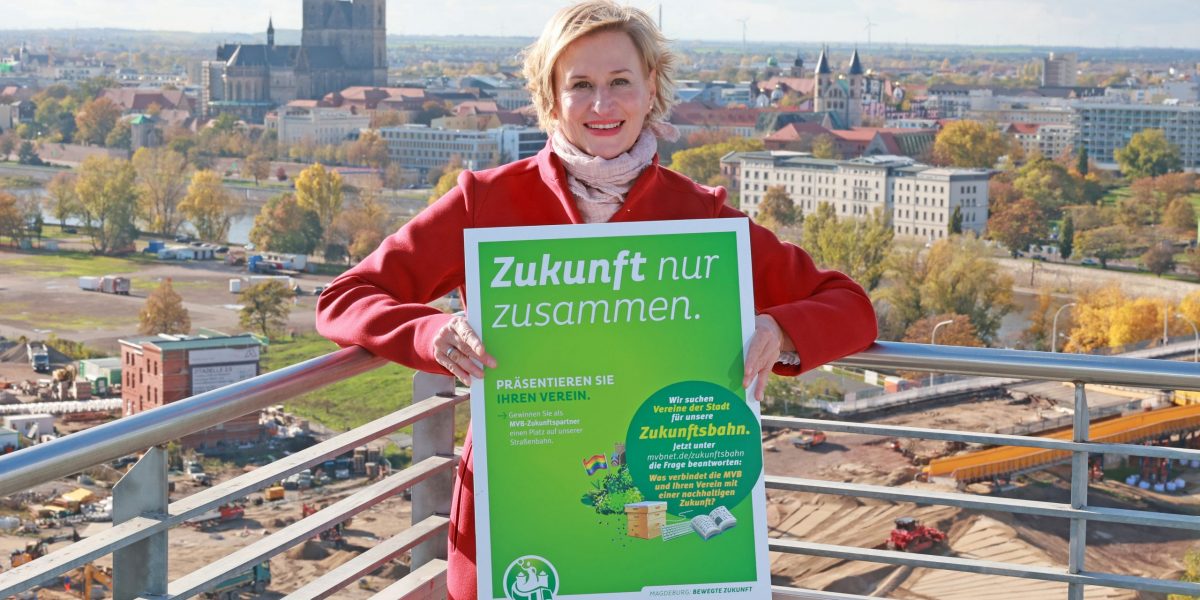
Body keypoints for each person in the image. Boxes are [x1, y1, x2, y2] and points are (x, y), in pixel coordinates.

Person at [315, 2, 877, 598]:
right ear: (550, 96)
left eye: (619, 83)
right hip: (516, 522)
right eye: (580, 85)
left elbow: (851, 307)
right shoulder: (488, 203)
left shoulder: (700, 217)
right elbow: (343, 297)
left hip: (658, 531)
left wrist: (781, 330)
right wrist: (431, 335)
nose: (602, 106)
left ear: (650, 88)